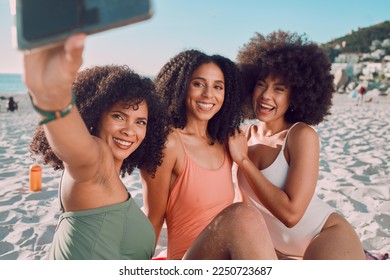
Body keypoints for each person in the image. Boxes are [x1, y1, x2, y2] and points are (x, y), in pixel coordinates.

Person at [25, 34, 169, 259]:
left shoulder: (110, 174)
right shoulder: (94, 164)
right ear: (94, 115)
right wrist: (52, 93)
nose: (130, 130)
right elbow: (76, 149)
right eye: (119, 116)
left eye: (140, 121)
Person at [228, 30, 365, 260]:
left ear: (295, 96)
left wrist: (243, 161)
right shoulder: (243, 136)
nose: (266, 96)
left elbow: (291, 214)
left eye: (279, 89)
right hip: (276, 251)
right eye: (261, 84)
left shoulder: (300, 135)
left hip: (324, 236)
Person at [141, 49, 276, 260]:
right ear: (180, 86)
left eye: (218, 87)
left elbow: (242, 200)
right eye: (198, 84)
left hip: (227, 255)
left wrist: (242, 160)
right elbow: (153, 218)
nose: (208, 95)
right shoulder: (169, 144)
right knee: (243, 214)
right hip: (190, 260)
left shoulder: (225, 141)